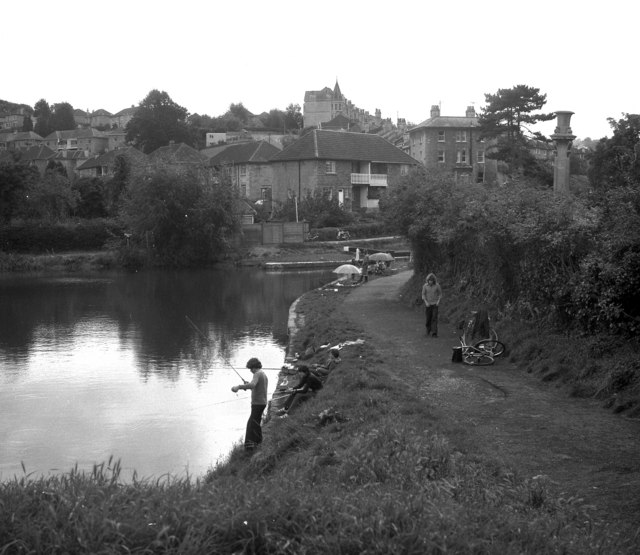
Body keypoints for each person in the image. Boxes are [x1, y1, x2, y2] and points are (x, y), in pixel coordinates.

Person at [231, 357, 268, 451]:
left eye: (251, 368)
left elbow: (252, 385)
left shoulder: (257, 373)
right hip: (262, 402)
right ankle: (258, 442)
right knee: (255, 423)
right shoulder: (263, 374)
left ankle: (250, 447)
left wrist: (239, 386)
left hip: (257, 403)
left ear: (254, 367)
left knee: (252, 424)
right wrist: (247, 385)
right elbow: (254, 386)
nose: (250, 371)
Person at [421, 273, 442, 337]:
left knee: (434, 318)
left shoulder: (437, 285)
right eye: (429, 281)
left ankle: (434, 333)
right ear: (427, 280)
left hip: (435, 304)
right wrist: (426, 302)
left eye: (432, 281)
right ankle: (428, 330)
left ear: (434, 281)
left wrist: (438, 301)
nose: (430, 282)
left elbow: (440, 294)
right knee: (428, 318)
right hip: (428, 305)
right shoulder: (425, 286)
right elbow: (423, 294)